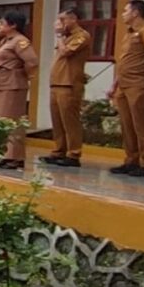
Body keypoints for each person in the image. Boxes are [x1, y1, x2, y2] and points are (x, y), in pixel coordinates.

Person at [110, 0, 144, 178]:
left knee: (141, 125)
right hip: (124, 85)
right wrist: (115, 84)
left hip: (140, 84)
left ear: (135, 13)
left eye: (125, 11)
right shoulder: (129, 34)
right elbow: (125, 61)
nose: (123, 14)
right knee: (127, 125)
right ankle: (131, 160)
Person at [0, 12, 37, 169]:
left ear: (13, 25)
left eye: (3, 23)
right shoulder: (5, 41)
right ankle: (5, 154)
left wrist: (22, 75)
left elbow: (32, 61)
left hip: (13, 85)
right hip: (1, 85)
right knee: (1, 120)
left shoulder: (20, 41)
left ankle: (15, 157)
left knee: (12, 121)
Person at [45, 9, 92, 168]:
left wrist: (58, 35)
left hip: (69, 84)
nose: (60, 24)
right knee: (57, 120)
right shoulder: (66, 37)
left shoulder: (81, 36)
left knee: (70, 120)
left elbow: (66, 52)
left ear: (73, 19)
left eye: (63, 20)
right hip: (57, 83)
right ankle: (59, 150)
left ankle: (73, 153)